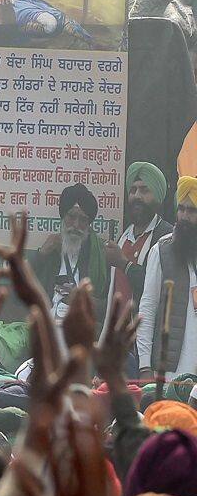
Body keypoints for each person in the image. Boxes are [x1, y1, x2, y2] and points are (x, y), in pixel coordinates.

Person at [137, 176, 197, 379]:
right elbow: (148, 306)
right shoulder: (161, 250)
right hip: (169, 372)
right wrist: (144, 365)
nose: (184, 216)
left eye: (192, 211)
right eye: (181, 209)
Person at [31, 182, 108, 324]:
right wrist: (41, 255)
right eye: (71, 216)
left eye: (83, 219)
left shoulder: (99, 254)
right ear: (63, 216)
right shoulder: (51, 250)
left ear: (89, 223)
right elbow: (22, 288)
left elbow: (108, 307)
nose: (76, 225)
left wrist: (81, 300)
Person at [107, 161, 173, 306]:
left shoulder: (167, 237)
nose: (137, 196)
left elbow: (161, 289)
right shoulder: (123, 237)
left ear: (157, 196)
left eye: (144, 190)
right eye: (133, 190)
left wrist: (124, 264)